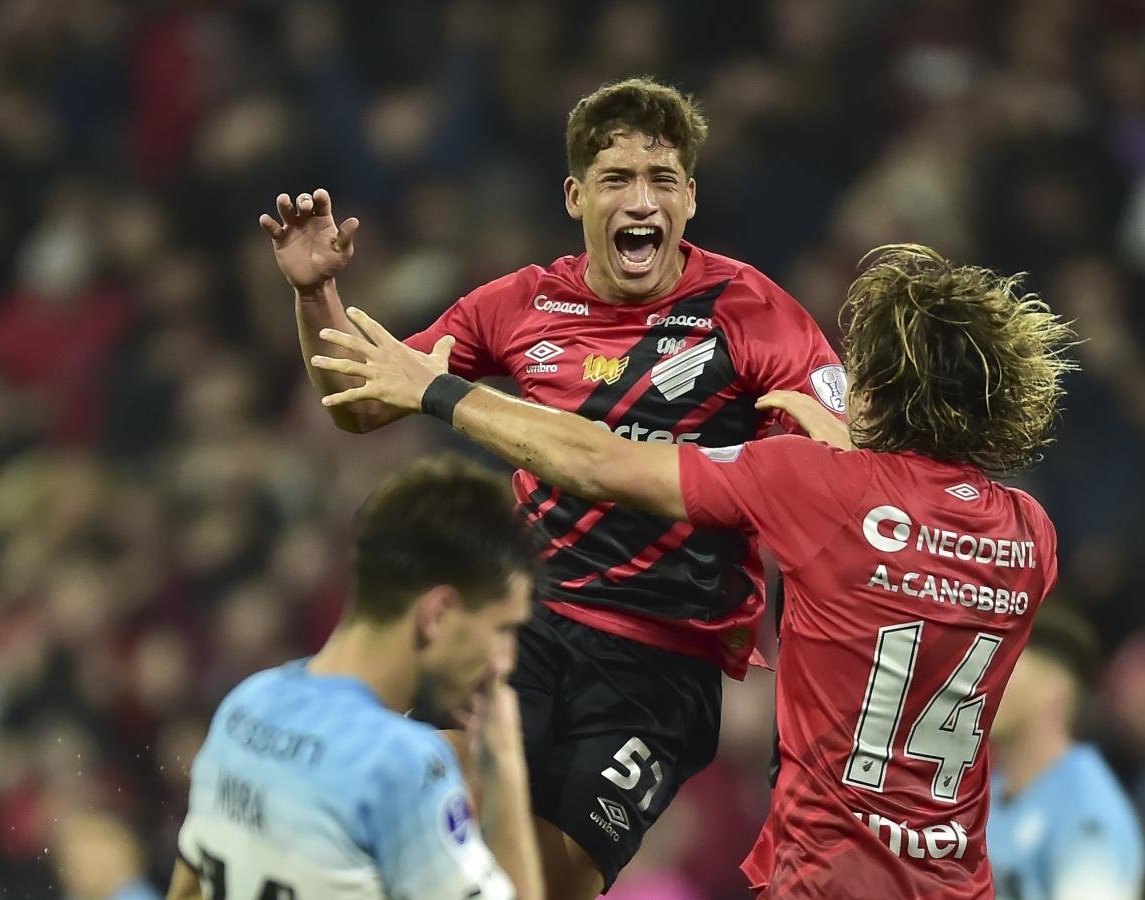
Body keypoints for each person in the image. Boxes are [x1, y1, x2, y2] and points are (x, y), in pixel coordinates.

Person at [309, 243, 1077, 898]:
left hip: (826, 874)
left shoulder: (812, 484)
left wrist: (438, 390)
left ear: (879, 390)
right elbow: (919, 534)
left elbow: (598, 461)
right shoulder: (1031, 536)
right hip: (955, 881)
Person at [261, 77, 845, 897]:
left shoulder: (754, 314)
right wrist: (315, 294)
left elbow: (839, 477)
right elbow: (360, 403)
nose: (640, 200)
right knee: (431, 832)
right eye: (616, 180)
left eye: (661, 180)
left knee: (533, 887)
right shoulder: (522, 302)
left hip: (661, 668)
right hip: (521, 623)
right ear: (576, 196)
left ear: (690, 198)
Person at [166, 456, 542, 900]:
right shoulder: (400, 763)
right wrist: (506, 770)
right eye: (503, 629)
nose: (505, 661)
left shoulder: (246, 706)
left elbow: (188, 890)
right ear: (438, 614)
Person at [986, 607, 1145, 900]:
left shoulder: (1088, 814)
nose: (986, 684)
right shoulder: (990, 792)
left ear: (1053, 688)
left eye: (1005, 669)